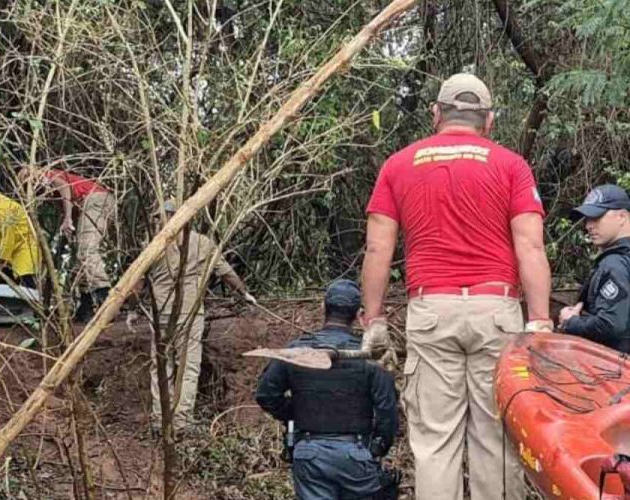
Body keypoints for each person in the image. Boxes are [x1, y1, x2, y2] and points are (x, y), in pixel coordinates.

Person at [360, 73, 552, 500]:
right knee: (497, 438)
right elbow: (531, 247)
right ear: (489, 120)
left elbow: (377, 250)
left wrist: (373, 319)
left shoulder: (399, 165)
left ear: (435, 114)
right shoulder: (511, 166)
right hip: (497, 314)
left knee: (434, 443)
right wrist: (539, 321)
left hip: (431, 314)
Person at [255, 280, 398, 500]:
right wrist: (378, 449)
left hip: (310, 453)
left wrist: (294, 413)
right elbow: (387, 409)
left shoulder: (298, 351)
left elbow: (266, 394)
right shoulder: (371, 356)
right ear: (359, 315)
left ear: (323, 307)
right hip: (357, 454)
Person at [134, 200, 256, 432]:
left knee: (161, 366)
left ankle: (160, 420)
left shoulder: (154, 245)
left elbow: (139, 281)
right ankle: (181, 421)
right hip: (188, 314)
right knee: (187, 366)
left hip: (160, 315)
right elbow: (225, 271)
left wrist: (132, 308)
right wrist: (244, 292)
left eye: (158, 217)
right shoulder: (202, 243)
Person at [19, 165, 114, 321]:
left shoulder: (46, 176)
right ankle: (86, 305)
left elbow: (64, 187)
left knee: (87, 251)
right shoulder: (49, 193)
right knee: (81, 260)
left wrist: (68, 218)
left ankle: (105, 298)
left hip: (95, 200)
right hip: (92, 203)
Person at [559, 184, 630, 352]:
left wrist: (571, 322)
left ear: (622, 216)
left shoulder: (615, 264)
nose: (588, 226)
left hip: (617, 369)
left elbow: (611, 325)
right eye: (587, 219)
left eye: (597, 217)